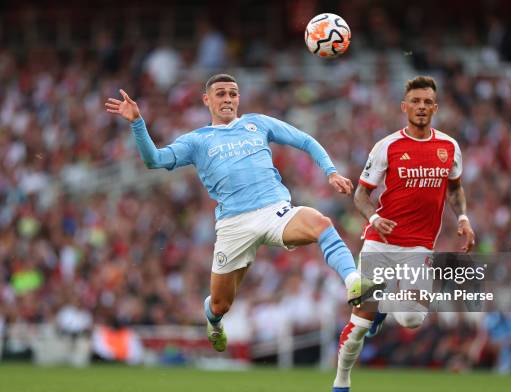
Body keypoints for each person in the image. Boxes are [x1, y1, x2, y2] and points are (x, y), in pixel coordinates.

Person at [105, 73, 375, 353]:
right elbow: (154, 160)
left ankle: (353, 281)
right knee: (222, 303)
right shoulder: (197, 140)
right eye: (220, 94)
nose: (228, 99)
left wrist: (330, 172)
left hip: (275, 211)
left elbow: (305, 140)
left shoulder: (256, 123)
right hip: (234, 225)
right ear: (206, 100)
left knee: (321, 223)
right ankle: (213, 319)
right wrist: (137, 122)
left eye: (233, 94)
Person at [330, 76, 476, 392]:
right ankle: (341, 382)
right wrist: (373, 217)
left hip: (419, 246)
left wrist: (464, 219)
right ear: (404, 106)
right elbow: (362, 194)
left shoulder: (449, 147)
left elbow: (454, 188)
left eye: (427, 102)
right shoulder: (387, 146)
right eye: (416, 101)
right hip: (380, 243)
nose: (421, 107)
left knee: (411, 319)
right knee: (357, 328)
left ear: (435, 108)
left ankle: (382, 306)